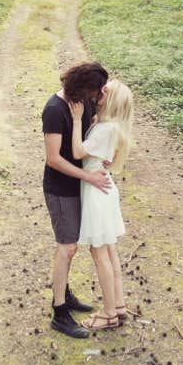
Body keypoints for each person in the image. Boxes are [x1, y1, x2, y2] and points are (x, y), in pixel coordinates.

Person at [42, 63, 112, 338]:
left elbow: (90, 139)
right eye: (96, 90)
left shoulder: (85, 104)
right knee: (67, 248)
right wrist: (88, 176)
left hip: (81, 186)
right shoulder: (54, 110)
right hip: (61, 189)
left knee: (71, 246)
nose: (98, 96)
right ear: (83, 88)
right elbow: (53, 158)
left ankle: (65, 294)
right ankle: (59, 311)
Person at [68, 79, 134, 331]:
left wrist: (76, 121)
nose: (101, 92)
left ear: (112, 101)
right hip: (104, 190)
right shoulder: (110, 127)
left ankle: (108, 314)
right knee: (109, 250)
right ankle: (118, 305)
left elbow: (77, 152)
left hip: (96, 192)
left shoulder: (105, 130)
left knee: (99, 253)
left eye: (106, 91)